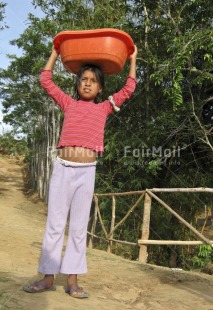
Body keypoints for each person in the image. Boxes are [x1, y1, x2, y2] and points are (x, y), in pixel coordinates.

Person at [23, 42, 137, 298]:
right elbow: (46, 80)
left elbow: (129, 88)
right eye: (83, 79)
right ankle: (48, 277)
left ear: (100, 88)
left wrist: (132, 58)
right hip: (63, 169)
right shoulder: (68, 104)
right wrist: (55, 51)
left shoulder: (104, 108)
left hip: (86, 173)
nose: (87, 83)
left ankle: (72, 281)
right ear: (77, 84)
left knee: (77, 228)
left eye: (93, 81)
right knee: (54, 224)